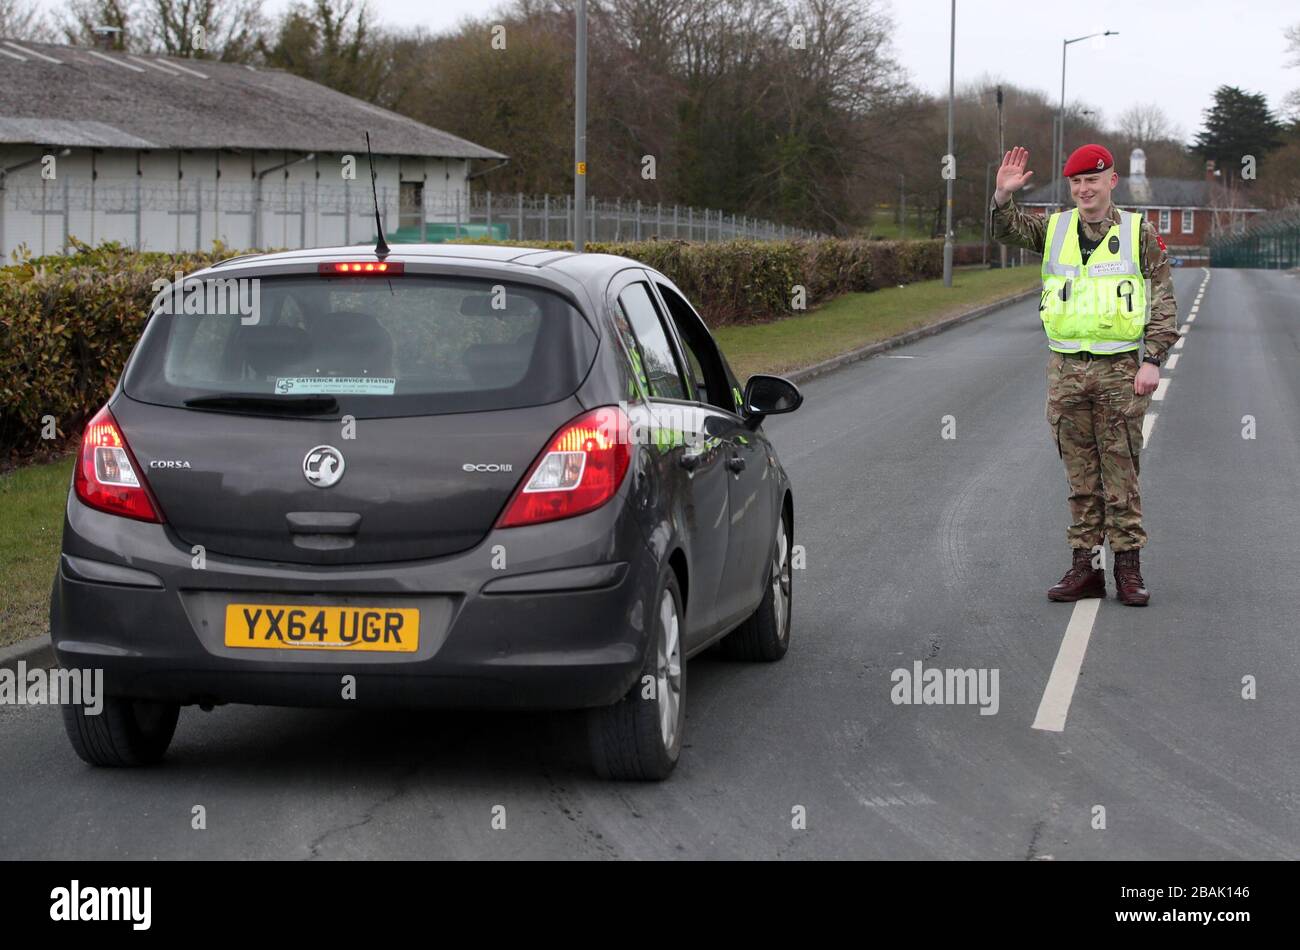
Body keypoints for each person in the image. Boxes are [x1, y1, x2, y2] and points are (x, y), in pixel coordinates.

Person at [991, 144, 1178, 606]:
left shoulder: (1139, 232)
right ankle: (1085, 569)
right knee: (1080, 478)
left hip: (1119, 371)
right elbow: (1008, 231)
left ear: (1111, 181)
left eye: (1092, 180)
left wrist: (1152, 359)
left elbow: (1162, 300)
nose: (1083, 189)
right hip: (1067, 370)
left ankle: (1128, 571)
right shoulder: (1055, 229)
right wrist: (1001, 196)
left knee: (1121, 473)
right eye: (1076, 182)